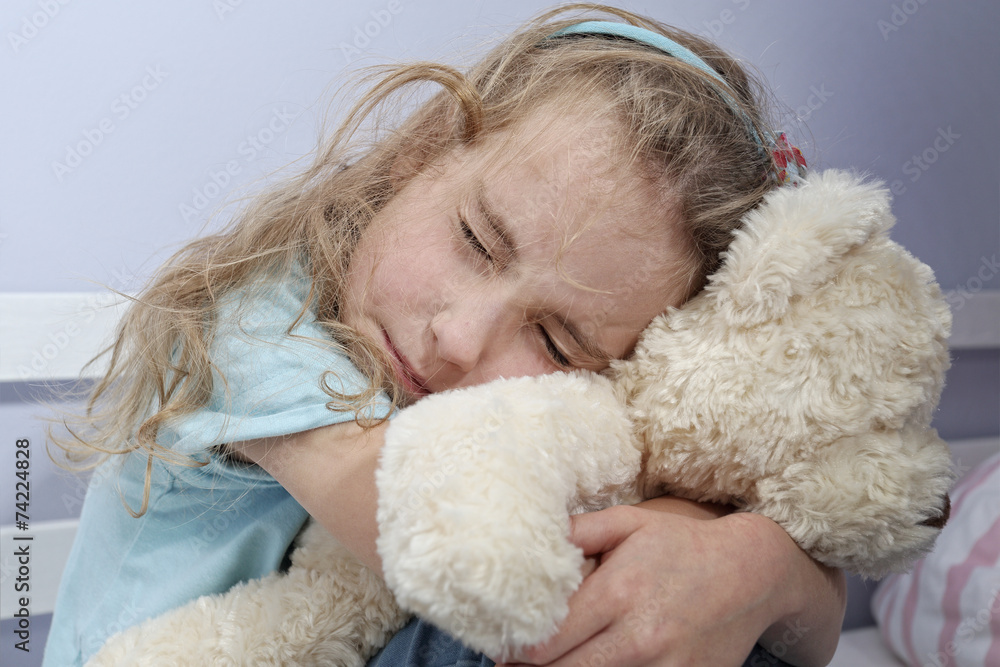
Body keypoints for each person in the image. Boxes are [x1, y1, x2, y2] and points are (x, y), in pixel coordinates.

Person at [44, 4, 845, 666]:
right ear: (425, 149)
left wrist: (759, 566)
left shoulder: (585, 416)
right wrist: (695, 544)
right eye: (476, 240)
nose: (459, 338)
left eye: (560, 346)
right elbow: (448, 531)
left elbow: (813, 633)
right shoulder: (254, 324)